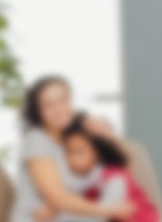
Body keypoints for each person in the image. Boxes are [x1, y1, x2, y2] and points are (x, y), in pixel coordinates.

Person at [10, 75, 134, 222]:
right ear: (38, 112)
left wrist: (104, 133)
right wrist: (108, 209)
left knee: (117, 182)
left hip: (65, 215)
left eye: (63, 100)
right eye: (49, 105)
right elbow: (58, 197)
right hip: (38, 219)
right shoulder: (35, 139)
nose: (59, 109)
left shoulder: (70, 139)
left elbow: (117, 166)